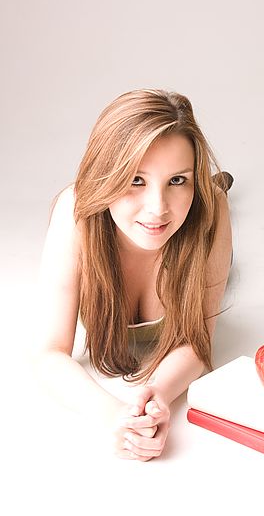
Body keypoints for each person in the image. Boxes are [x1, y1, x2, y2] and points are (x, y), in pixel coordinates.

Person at [34, 89, 233, 461]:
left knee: (218, 197)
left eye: (178, 181)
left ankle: (217, 182)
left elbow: (199, 342)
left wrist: (158, 393)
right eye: (136, 180)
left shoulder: (210, 211)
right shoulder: (75, 213)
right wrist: (116, 417)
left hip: (203, 224)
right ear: (105, 176)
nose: (157, 209)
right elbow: (49, 354)